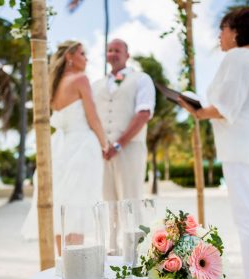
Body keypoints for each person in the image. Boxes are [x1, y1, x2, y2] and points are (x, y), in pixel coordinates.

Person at [178, 7, 249, 279]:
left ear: (234, 31)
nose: (219, 37)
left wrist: (195, 109)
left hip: (243, 144)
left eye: (222, 30)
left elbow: (225, 108)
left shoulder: (237, 57)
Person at [21, 41, 108, 257]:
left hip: (59, 147)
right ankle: (76, 265)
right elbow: (93, 117)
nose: (86, 58)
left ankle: (63, 263)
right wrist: (105, 144)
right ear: (70, 56)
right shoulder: (80, 79)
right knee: (79, 205)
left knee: (63, 205)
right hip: (82, 147)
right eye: (82, 53)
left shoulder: (52, 84)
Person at [92, 39, 156, 254]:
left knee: (131, 198)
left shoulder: (141, 79)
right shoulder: (96, 85)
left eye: (117, 50)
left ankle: (137, 250)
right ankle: (111, 248)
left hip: (130, 149)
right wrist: (101, 145)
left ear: (127, 55)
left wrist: (119, 144)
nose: (113, 53)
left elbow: (143, 114)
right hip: (102, 153)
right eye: (109, 50)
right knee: (107, 200)